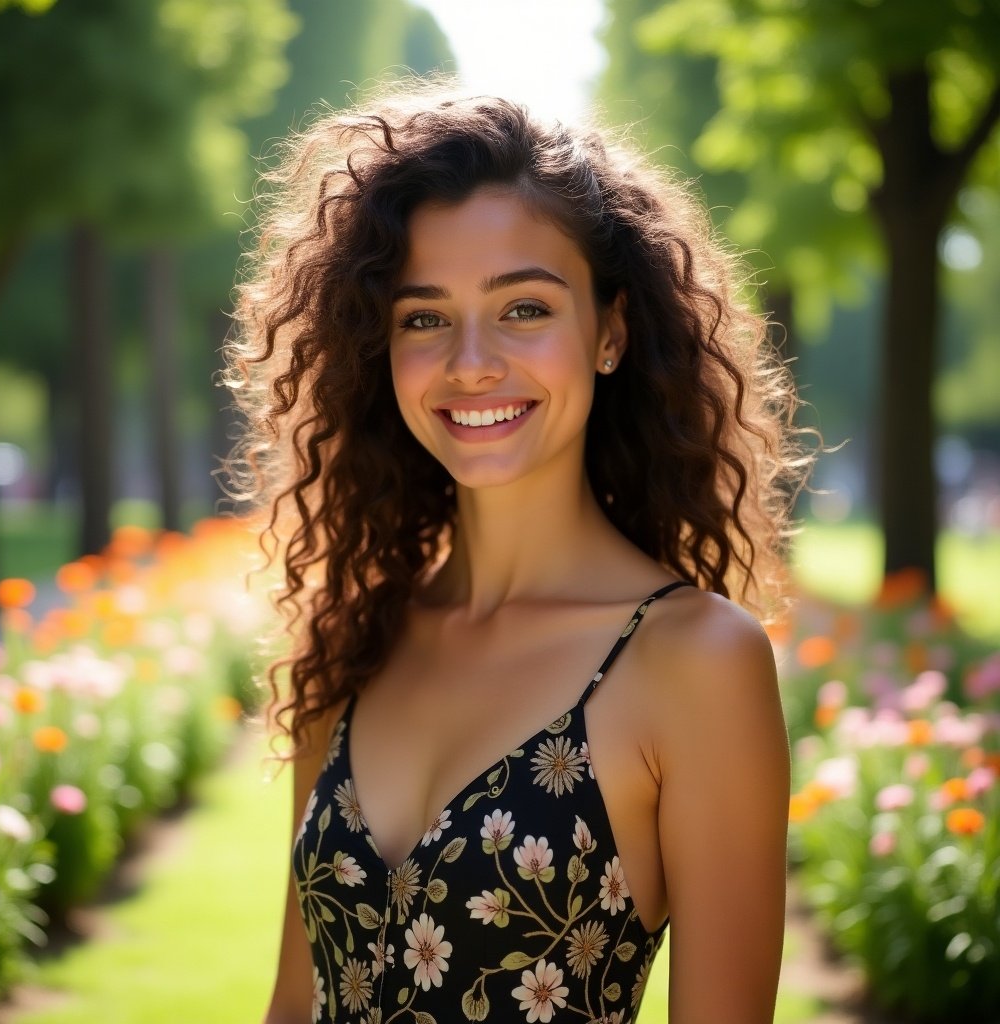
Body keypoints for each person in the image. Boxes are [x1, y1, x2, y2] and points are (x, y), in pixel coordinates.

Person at [226, 82, 810, 1024]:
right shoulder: (358, 638)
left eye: (524, 309)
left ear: (610, 331)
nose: (470, 362)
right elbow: (296, 1003)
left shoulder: (695, 660)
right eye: (423, 318)